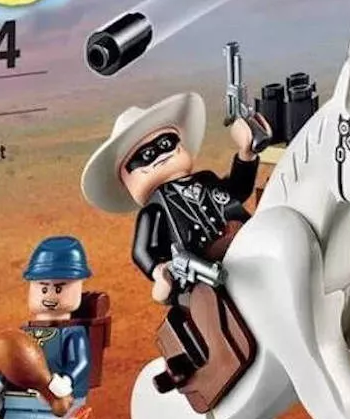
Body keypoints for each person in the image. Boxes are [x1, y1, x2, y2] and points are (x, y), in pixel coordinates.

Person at [81, 93, 262, 303]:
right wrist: (159, 272)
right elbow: (143, 251)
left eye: (167, 143)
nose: (162, 154)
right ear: (128, 179)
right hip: (204, 278)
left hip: (248, 244)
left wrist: (246, 154)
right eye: (146, 155)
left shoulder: (207, 180)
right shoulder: (154, 210)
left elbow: (238, 190)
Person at [0, 235, 101, 419]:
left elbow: (80, 363)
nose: (50, 296)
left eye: (59, 288)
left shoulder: (72, 333)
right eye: (43, 288)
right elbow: (13, 361)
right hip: (23, 403)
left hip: (62, 401)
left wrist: (67, 381)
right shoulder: (25, 334)